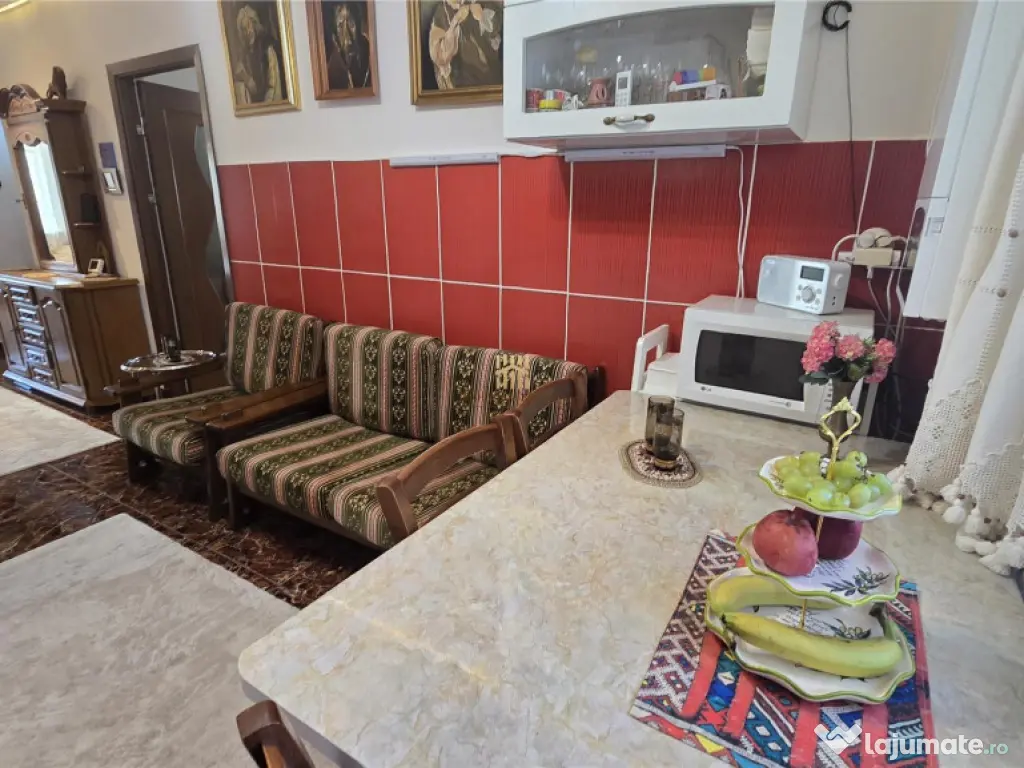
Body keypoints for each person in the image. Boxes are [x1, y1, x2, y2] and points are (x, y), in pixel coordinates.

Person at [428, 0, 502, 90]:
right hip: (462, 80)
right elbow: (439, 56)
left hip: (490, 75)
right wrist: (456, 21)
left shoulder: (478, 3)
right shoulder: (441, 13)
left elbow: (496, 26)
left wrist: (481, 16)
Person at [233, 4, 284, 104]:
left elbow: (272, 86)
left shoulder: (267, 49)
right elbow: (240, 76)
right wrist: (246, 79)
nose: (248, 32)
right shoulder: (244, 55)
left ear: (254, 25)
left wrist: (264, 106)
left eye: (249, 26)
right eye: (244, 29)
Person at [326, 2, 372, 90]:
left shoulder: (374, 59)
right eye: (340, 27)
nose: (348, 40)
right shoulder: (332, 75)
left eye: (351, 25)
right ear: (335, 39)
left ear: (359, 28)